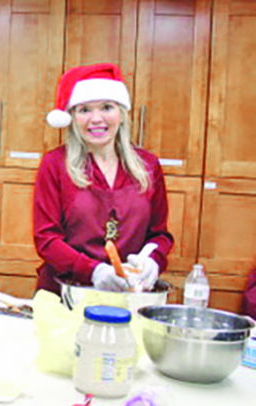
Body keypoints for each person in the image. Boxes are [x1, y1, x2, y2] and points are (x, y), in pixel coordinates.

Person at [33, 63, 173, 294]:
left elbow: (159, 234)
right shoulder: (55, 164)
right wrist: (94, 271)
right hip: (66, 293)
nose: (96, 119)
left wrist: (153, 260)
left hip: (129, 293)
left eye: (107, 107)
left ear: (121, 113)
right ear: (72, 117)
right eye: (84, 110)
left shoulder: (148, 165)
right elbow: (47, 239)